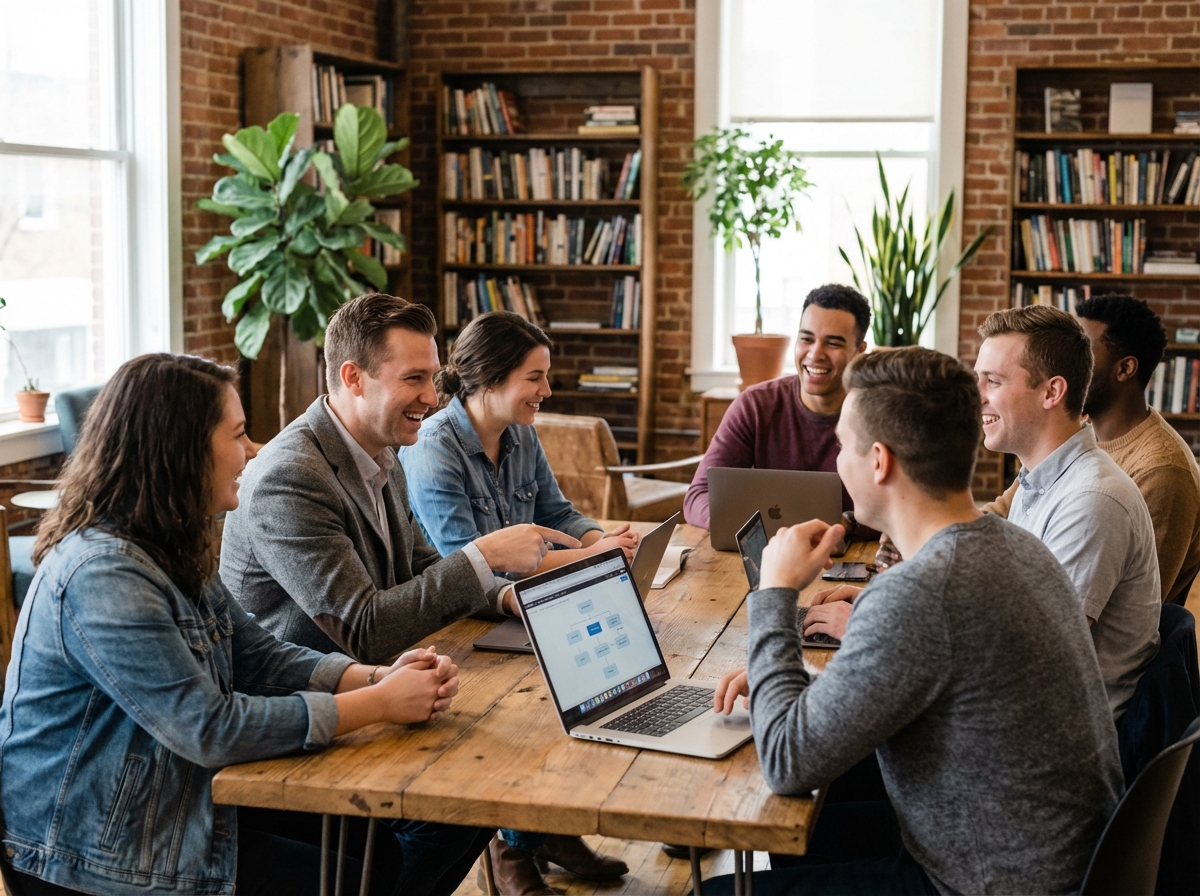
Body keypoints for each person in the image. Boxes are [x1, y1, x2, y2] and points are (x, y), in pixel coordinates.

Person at [0, 354, 487, 896]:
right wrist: (378, 705)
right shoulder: (103, 573)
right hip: (95, 847)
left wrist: (375, 678)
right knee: (368, 875)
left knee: (406, 845)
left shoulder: (166, 544)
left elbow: (257, 655)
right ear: (179, 450)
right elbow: (208, 728)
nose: (252, 450)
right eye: (237, 434)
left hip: (177, 797)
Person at [707, 347, 1122, 895]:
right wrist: (797, 683)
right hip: (1051, 862)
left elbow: (787, 761)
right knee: (804, 835)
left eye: (840, 448)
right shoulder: (1017, 547)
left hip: (984, 883)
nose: (836, 464)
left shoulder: (921, 591)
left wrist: (776, 591)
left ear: (878, 462)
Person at [399, 310, 634, 893]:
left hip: (526, 606)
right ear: (489, 378)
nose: (547, 391)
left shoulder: (521, 436)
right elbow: (465, 567)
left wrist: (597, 539)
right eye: (535, 377)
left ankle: (543, 829)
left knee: (595, 675)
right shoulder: (434, 448)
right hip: (461, 625)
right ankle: (510, 848)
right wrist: (593, 562)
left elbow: (556, 512)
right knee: (529, 712)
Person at [220, 293, 581, 665]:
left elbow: (421, 568)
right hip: (308, 697)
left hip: (382, 674)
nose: (431, 396)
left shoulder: (382, 449)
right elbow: (364, 630)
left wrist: (512, 598)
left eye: (432, 377)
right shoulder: (290, 477)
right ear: (353, 378)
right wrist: (484, 556)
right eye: (414, 378)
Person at [988, 294, 1200, 604]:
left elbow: (1138, 602)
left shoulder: (1164, 471)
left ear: (1125, 368)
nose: (1066, 366)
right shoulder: (1078, 434)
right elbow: (1004, 510)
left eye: (1084, 352)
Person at [683, 284, 871, 531]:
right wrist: (753, 529)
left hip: (853, 558)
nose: (815, 354)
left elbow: (910, 508)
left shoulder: (878, 413)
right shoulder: (755, 405)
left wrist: (846, 528)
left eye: (833, 343)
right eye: (806, 339)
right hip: (770, 553)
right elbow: (698, 496)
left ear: (859, 352)